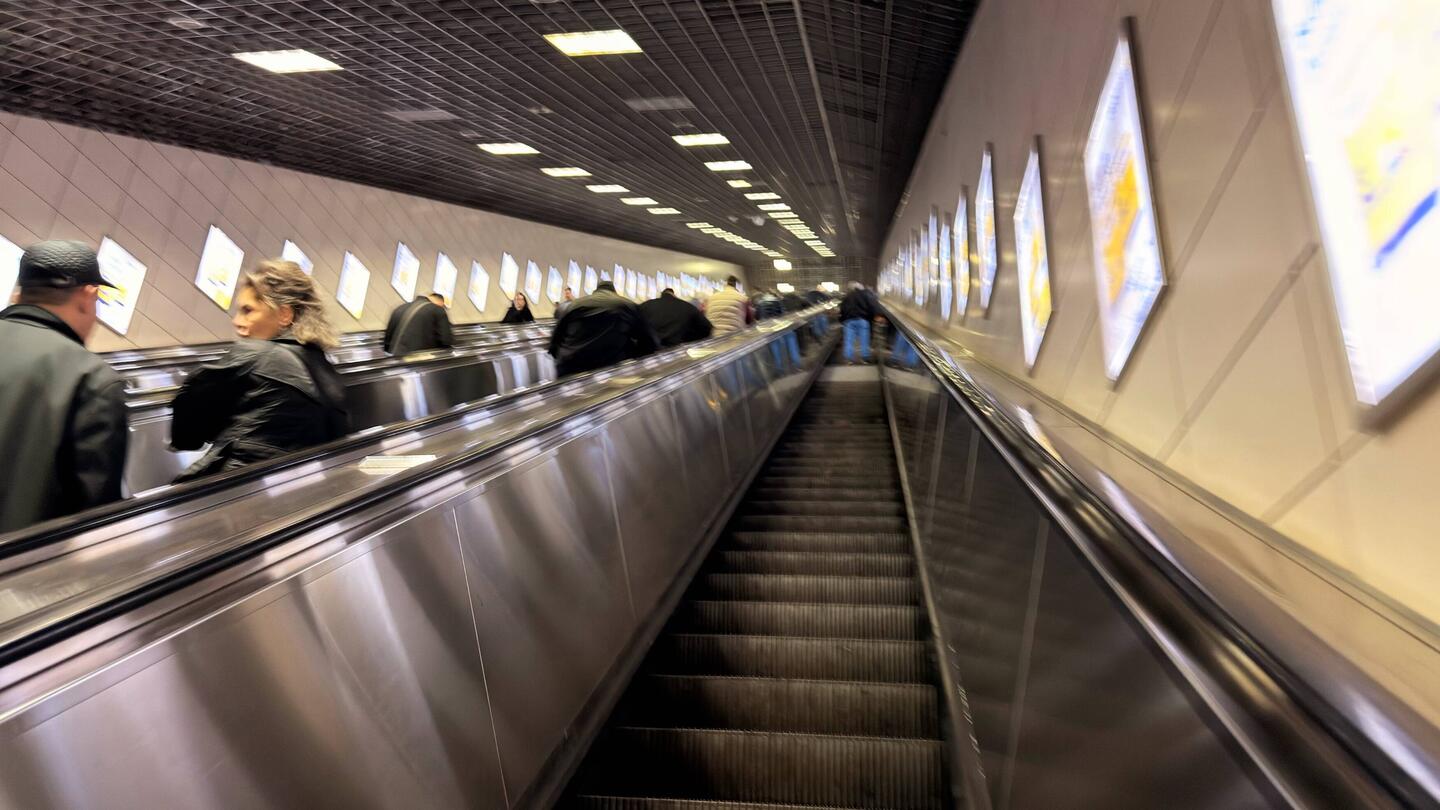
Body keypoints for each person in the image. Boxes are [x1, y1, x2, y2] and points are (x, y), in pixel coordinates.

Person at [170, 260, 349, 482]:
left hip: (237, 484)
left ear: (284, 314)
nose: (237, 322)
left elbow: (190, 404)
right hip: (299, 484)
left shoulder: (256, 354)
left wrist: (189, 440)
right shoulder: (323, 364)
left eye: (248, 311)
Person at [0, 240, 129, 532]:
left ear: (20, 292)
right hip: (25, 569)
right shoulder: (93, 379)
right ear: (88, 295)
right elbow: (95, 515)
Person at [548, 280, 657, 377]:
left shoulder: (574, 304)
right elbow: (649, 340)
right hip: (611, 369)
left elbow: (555, 340)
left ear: (596, 291)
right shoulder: (627, 305)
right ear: (614, 292)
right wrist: (634, 358)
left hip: (571, 367)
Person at [382, 291, 453, 355]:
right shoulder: (437, 309)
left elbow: (387, 341)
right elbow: (446, 340)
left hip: (395, 357)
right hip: (419, 361)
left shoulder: (400, 307)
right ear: (440, 302)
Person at [640, 287, 713, 348]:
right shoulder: (687, 306)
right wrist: (689, 339)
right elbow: (707, 328)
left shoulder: (646, 305)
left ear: (661, 295)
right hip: (678, 349)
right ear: (674, 295)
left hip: (649, 351)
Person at [839, 280, 877, 363]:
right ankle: (865, 358)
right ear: (860, 287)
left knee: (849, 340)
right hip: (863, 320)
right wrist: (871, 318)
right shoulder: (865, 295)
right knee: (864, 339)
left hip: (849, 321)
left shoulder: (846, 297)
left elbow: (842, 310)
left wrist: (842, 320)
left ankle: (849, 359)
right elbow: (872, 307)